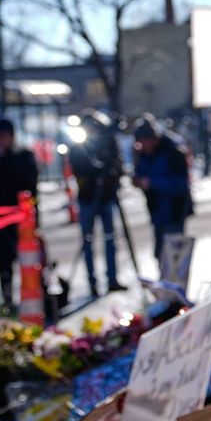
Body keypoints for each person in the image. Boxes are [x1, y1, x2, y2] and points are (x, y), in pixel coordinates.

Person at [0, 118, 38, 311]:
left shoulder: (23, 156)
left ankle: (32, 298)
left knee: (28, 261)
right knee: (3, 262)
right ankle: (7, 298)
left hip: (22, 221)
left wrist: (5, 160)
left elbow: (30, 182)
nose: (0, 141)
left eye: (3, 137)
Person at [68, 111, 125, 296]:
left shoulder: (108, 143)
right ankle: (92, 282)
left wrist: (110, 178)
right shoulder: (79, 146)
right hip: (87, 198)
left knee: (110, 239)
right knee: (88, 241)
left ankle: (112, 279)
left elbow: (117, 167)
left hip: (106, 197)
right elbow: (78, 167)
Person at [132, 114, 193, 263]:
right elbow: (141, 172)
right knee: (160, 253)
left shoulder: (173, 152)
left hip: (174, 210)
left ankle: (173, 285)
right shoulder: (145, 155)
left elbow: (180, 184)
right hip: (157, 210)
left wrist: (151, 183)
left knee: (173, 256)